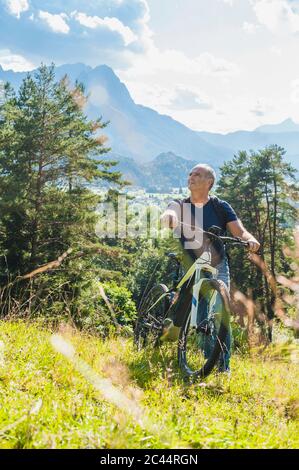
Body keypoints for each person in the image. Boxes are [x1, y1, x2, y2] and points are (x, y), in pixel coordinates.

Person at [160, 163, 260, 372]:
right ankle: (176, 333)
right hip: (189, 262)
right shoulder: (180, 204)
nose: (191, 177)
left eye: (197, 174)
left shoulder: (220, 207)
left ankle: (221, 368)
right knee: (183, 311)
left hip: (217, 264)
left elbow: (239, 231)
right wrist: (169, 218)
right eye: (190, 174)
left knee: (218, 311)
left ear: (209, 182)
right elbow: (170, 213)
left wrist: (250, 240)